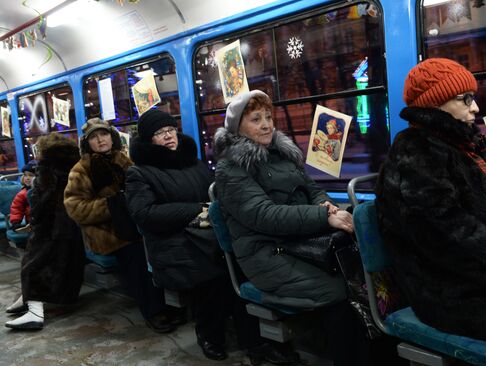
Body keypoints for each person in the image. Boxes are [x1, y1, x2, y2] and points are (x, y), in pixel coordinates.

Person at [375, 57, 486, 365]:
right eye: (465, 99)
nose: (476, 108)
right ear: (436, 105)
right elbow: (446, 234)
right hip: (445, 285)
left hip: (484, 268)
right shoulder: (415, 153)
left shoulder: (467, 144)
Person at [213, 90, 370, 366]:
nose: (266, 124)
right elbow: (265, 216)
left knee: (362, 281)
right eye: (256, 119)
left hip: (302, 243)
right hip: (267, 253)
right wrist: (323, 218)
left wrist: (328, 207)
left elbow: (313, 189)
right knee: (338, 291)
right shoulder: (231, 169)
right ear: (237, 127)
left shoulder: (281, 155)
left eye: (269, 117)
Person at [125, 109, 294, 364]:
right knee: (213, 275)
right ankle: (210, 336)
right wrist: (197, 209)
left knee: (243, 262)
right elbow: (144, 213)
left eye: (171, 130)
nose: (169, 136)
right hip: (174, 241)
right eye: (160, 133)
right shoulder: (140, 173)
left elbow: (216, 191)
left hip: (208, 233)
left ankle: (254, 341)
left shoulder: (192, 161)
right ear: (149, 139)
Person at [64, 118, 178, 334]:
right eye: (94, 137)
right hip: (108, 232)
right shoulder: (81, 170)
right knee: (136, 258)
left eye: (104, 135)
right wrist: (111, 206)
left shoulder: (123, 160)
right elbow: (75, 207)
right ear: (87, 143)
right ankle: (154, 312)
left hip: (134, 223)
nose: (101, 140)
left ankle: (171, 303)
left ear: (112, 137)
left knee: (164, 246)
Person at [5, 134, 85, 330]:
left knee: (32, 265)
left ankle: (34, 312)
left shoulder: (46, 167)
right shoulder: (76, 165)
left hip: (50, 224)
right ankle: (28, 298)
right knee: (63, 263)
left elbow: (43, 197)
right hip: (71, 224)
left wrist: (34, 217)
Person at [9, 161, 36, 230]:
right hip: (31, 223)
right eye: (25, 175)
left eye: (31, 175)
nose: (27, 178)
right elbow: (16, 208)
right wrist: (16, 222)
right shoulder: (22, 193)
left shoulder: (44, 190)